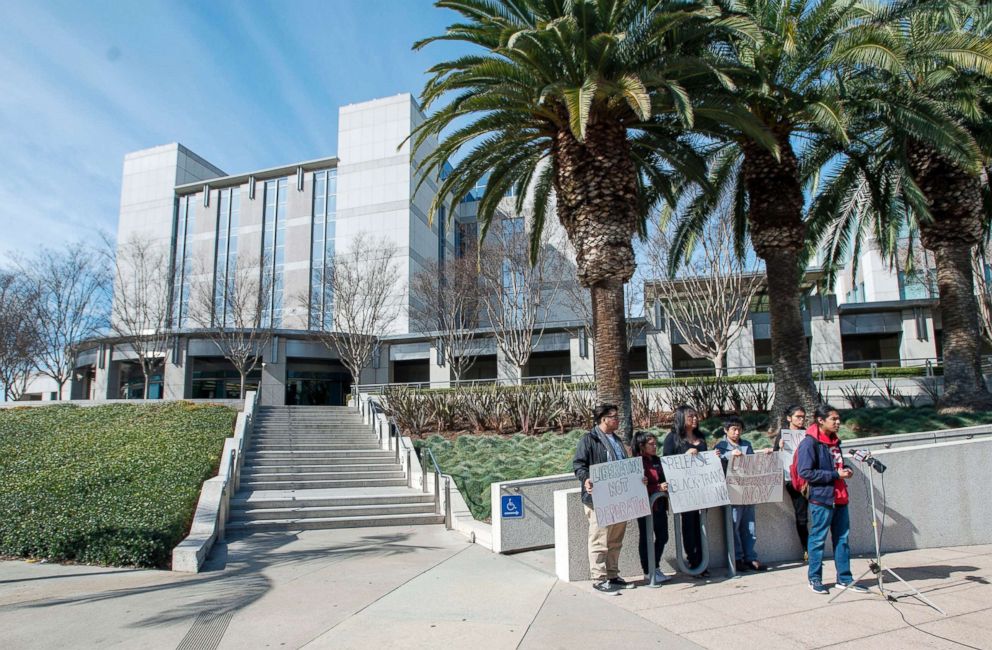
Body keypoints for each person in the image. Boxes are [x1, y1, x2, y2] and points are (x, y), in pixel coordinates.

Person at [798, 404, 869, 595]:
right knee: (818, 539)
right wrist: (835, 474)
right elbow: (805, 472)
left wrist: (846, 469)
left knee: (842, 539)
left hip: (840, 497)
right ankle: (815, 579)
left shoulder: (835, 441)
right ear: (821, 421)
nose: (838, 422)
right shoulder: (809, 443)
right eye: (834, 419)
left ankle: (844, 579)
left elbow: (837, 463)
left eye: (838, 419)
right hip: (822, 499)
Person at [573, 403, 635, 595]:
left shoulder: (617, 441)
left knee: (615, 539)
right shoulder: (589, 440)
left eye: (617, 416)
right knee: (599, 539)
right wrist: (586, 479)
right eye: (614, 417)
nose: (617, 420)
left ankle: (613, 575)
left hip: (619, 497)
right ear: (603, 419)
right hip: (598, 498)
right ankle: (599, 578)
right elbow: (579, 465)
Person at [662, 405, 719, 578]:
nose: (695, 419)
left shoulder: (700, 437)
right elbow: (667, 463)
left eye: (696, 416)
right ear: (681, 418)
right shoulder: (672, 439)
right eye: (690, 416)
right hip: (685, 491)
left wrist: (713, 457)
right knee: (689, 526)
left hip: (702, 489)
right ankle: (693, 561)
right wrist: (685, 456)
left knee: (701, 525)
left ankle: (703, 561)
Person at [715, 416, 770, 572]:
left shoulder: (747, 444)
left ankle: (750, 558)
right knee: (734, 525)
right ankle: (737, 558)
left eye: (739, 429)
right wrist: (729, 456)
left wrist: (766, 455)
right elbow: (717, 465)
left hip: (747, 489)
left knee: (749, 526)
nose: (737, 432)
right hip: (732, 491)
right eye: (733, 429)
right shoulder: (721, 447)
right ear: (726, 430)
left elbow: (754, 463)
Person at [631, 431, 671, 584]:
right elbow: (637, 485)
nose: (655, 447)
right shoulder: (636, 463)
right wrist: (656, 488)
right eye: (651, 444)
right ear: (642, 446)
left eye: (656, 444)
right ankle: (648, 570)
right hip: (645, 506)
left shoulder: (657, 460)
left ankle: (655, 566)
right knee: (646, 538)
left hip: (659, 505)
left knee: (663, 536)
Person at [772, 405, 810, 562]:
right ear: (789, 418)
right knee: (802, 516)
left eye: (803, 417)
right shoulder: (783, 434)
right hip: (792, 479)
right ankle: (806, 549)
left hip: (809, 478)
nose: (801, 420)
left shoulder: (808, 433)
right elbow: (775, 458)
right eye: (798, 417)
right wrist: (779, 448)